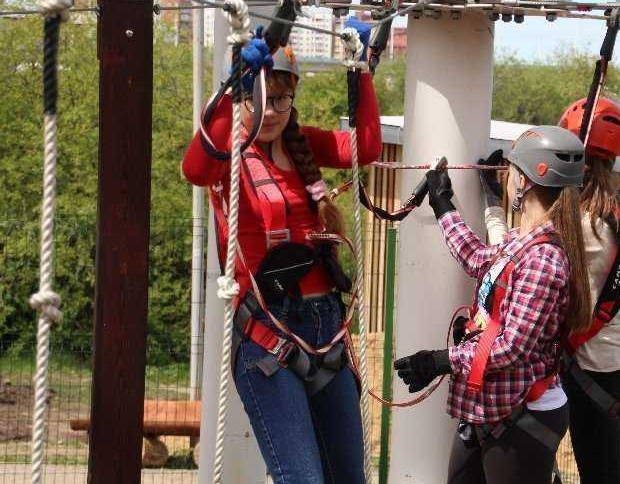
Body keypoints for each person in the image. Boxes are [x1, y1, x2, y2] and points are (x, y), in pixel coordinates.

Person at [182, 34, 382, 484]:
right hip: (269, 333)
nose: (270, 111)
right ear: (242, 101)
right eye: (258, 100)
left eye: (281, 99)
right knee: (302, 478)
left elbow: (364, 149)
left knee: (349, 476)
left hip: (326, 328)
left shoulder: (302, 146)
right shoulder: (227, 157)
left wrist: (362, 71)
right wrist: (233, 87)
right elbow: (195, 168)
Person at [394, 126, 591, 484]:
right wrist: (443, 204)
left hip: (520, 414)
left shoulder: (544, 259)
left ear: (527, 181)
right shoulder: (521, 242)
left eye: (513, 170)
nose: (508, 177)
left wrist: (440, 361)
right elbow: (477, 258)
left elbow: (511, 348)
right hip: (489, 409)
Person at [478, 98, 620, 483]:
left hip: (595, 366)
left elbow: (508, 256)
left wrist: (494, 204)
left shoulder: (572, 223)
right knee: (612, 471)